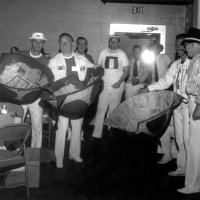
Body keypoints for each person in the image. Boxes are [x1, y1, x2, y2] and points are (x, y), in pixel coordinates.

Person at [138, 34, 191, 176]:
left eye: (181, 44)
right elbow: (165, 82)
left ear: (189, 46)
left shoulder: (194, 64)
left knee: (187, 139)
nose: (178, 47)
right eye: (177, 44)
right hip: (177, 106)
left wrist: (182, 98)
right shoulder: (176, 64)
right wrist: (147, 88)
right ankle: (181, 168)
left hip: (189, 107)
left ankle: (191, 172)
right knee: (179, 137)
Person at [48, 33, 95, 167]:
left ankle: (75, 154)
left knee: (77, 128)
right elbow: (49, 82)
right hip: (62, 101)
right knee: (61, 129)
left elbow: (93, 72)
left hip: (79, 99)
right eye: (61, 42)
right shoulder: (53, 61)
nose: (64, 44)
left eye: (67, 42)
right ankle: (58, 159)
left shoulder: (82, 59)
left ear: (72, 43)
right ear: (59, 44)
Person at [91, 35, 129, 139]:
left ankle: (110, 133)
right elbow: (98, 67)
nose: (113, 43)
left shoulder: (122, 54)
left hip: (117, 86)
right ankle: (96, 134)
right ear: (108, 42)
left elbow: (126, 71)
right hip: (104, 86)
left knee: (113, 110)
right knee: (100, 109)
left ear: (119, 43)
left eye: (115, 42)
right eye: (111, 41)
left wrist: (119, 82)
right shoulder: (103, 53)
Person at [177, 28, 200, 194]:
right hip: (194, 102)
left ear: (195, 45)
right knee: (193, 144)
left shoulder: (198, 61)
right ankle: (193, 183)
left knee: (195, 146)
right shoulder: (195, 60)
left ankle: (194, 185)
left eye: (188, 46)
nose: (186, 49)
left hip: (197, 104)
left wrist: (199, 105)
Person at [20, 32, 49, 148]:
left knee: (37, 128)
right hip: (20, 96)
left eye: (40, 42)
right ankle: (12, 150)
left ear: (43, 44)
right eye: (35, 41)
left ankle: (35, 153)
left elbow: (47, 80)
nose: (37, 44)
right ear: (31, 42)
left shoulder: (46, 61)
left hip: (36, 98)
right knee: (16, 124)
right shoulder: (22, 55)